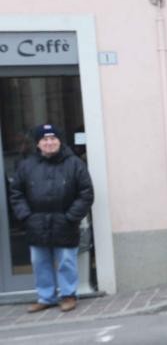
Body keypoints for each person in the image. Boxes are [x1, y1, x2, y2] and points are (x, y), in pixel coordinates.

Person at [9, 124, 94, 313]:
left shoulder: (74, 164)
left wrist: (71, 217)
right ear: (38, 144)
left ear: (59, 141)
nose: (49, 142)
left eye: (53, 139)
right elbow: (16, 193)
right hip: (36, 223)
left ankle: (68, 295)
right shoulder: (27, 165)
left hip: (64, 222)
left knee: (66, 261)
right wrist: (26, 217)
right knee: (40, 262)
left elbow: (86, 193)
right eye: (45, 139)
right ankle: (45, 297)